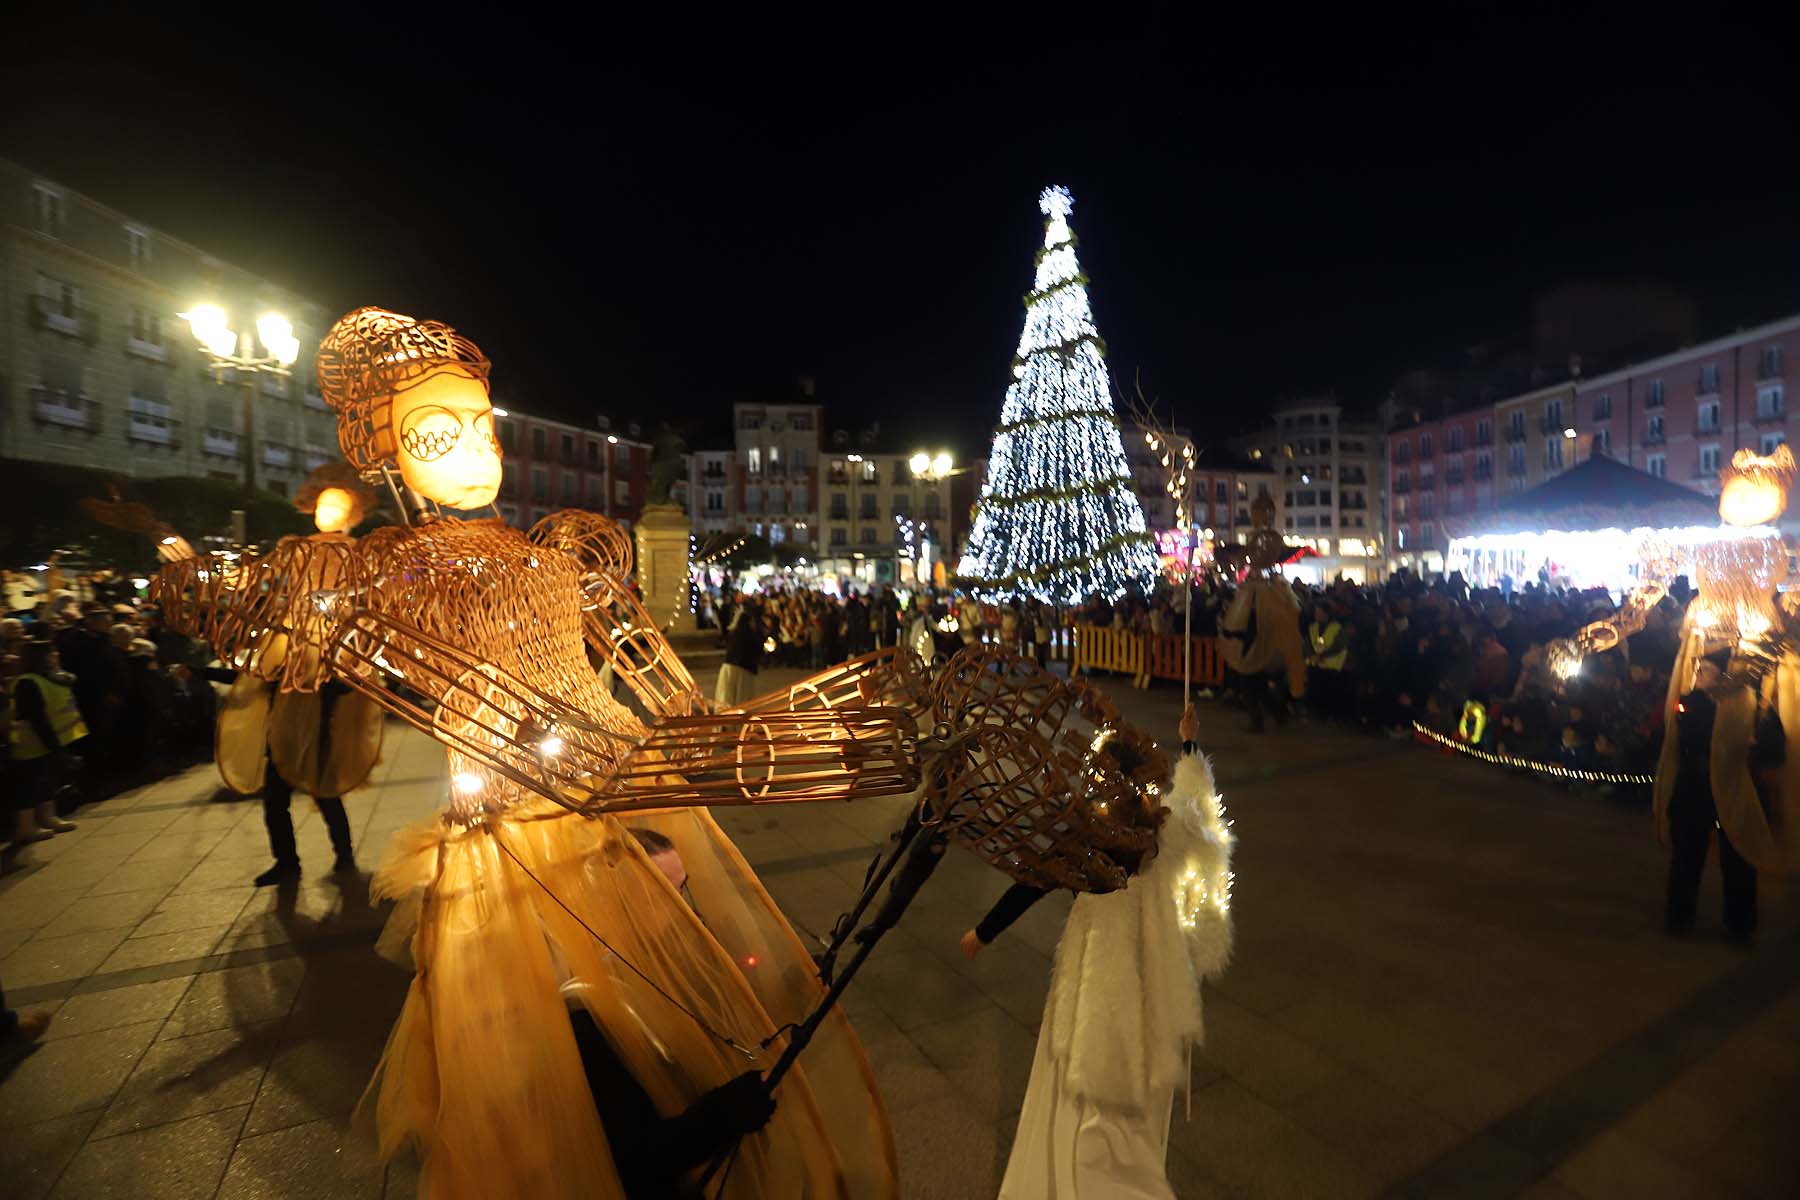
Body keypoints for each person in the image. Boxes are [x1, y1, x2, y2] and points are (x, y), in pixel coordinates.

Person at [967, 729, 1235, 1199]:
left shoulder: (1091, 832)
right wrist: (1191, 749)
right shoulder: (1166, 828)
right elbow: (1201, 811)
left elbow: (1036, 881)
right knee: (1126, 1085)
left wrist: (984, 932)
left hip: (1094, 968)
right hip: (1148, 971)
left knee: (1085, 1078)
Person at [1657, 648, 1777, 943]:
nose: (1698, 674)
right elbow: (1685, 735)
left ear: (1725, 675)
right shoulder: (1691, 701)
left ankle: (1740, 925)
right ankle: (1679, 916)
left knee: (1738, 858)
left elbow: (1776, 751)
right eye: (1699, 668)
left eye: (1706, 670)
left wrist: (1755, 744)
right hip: (1695, 791)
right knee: (1687, 855)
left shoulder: (1754, 706)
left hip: (1736, 789)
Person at [8, 638, 84, 843]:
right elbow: (37, 718)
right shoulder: (28, 682)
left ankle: (47, 817)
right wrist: (55, 747)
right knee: (29, 784)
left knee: (45, 781)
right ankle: (26, 827)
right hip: (30, 743)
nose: (56, 655)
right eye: (52, 652)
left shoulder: (47, 677)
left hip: (46, 741)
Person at [715, 596, 764, 706]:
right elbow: (757, 650)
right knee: (741, 698)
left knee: (727, 697)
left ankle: (727, 719)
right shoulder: (749, 635)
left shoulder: (734, 634)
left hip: (729, 668)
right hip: (743, 670)